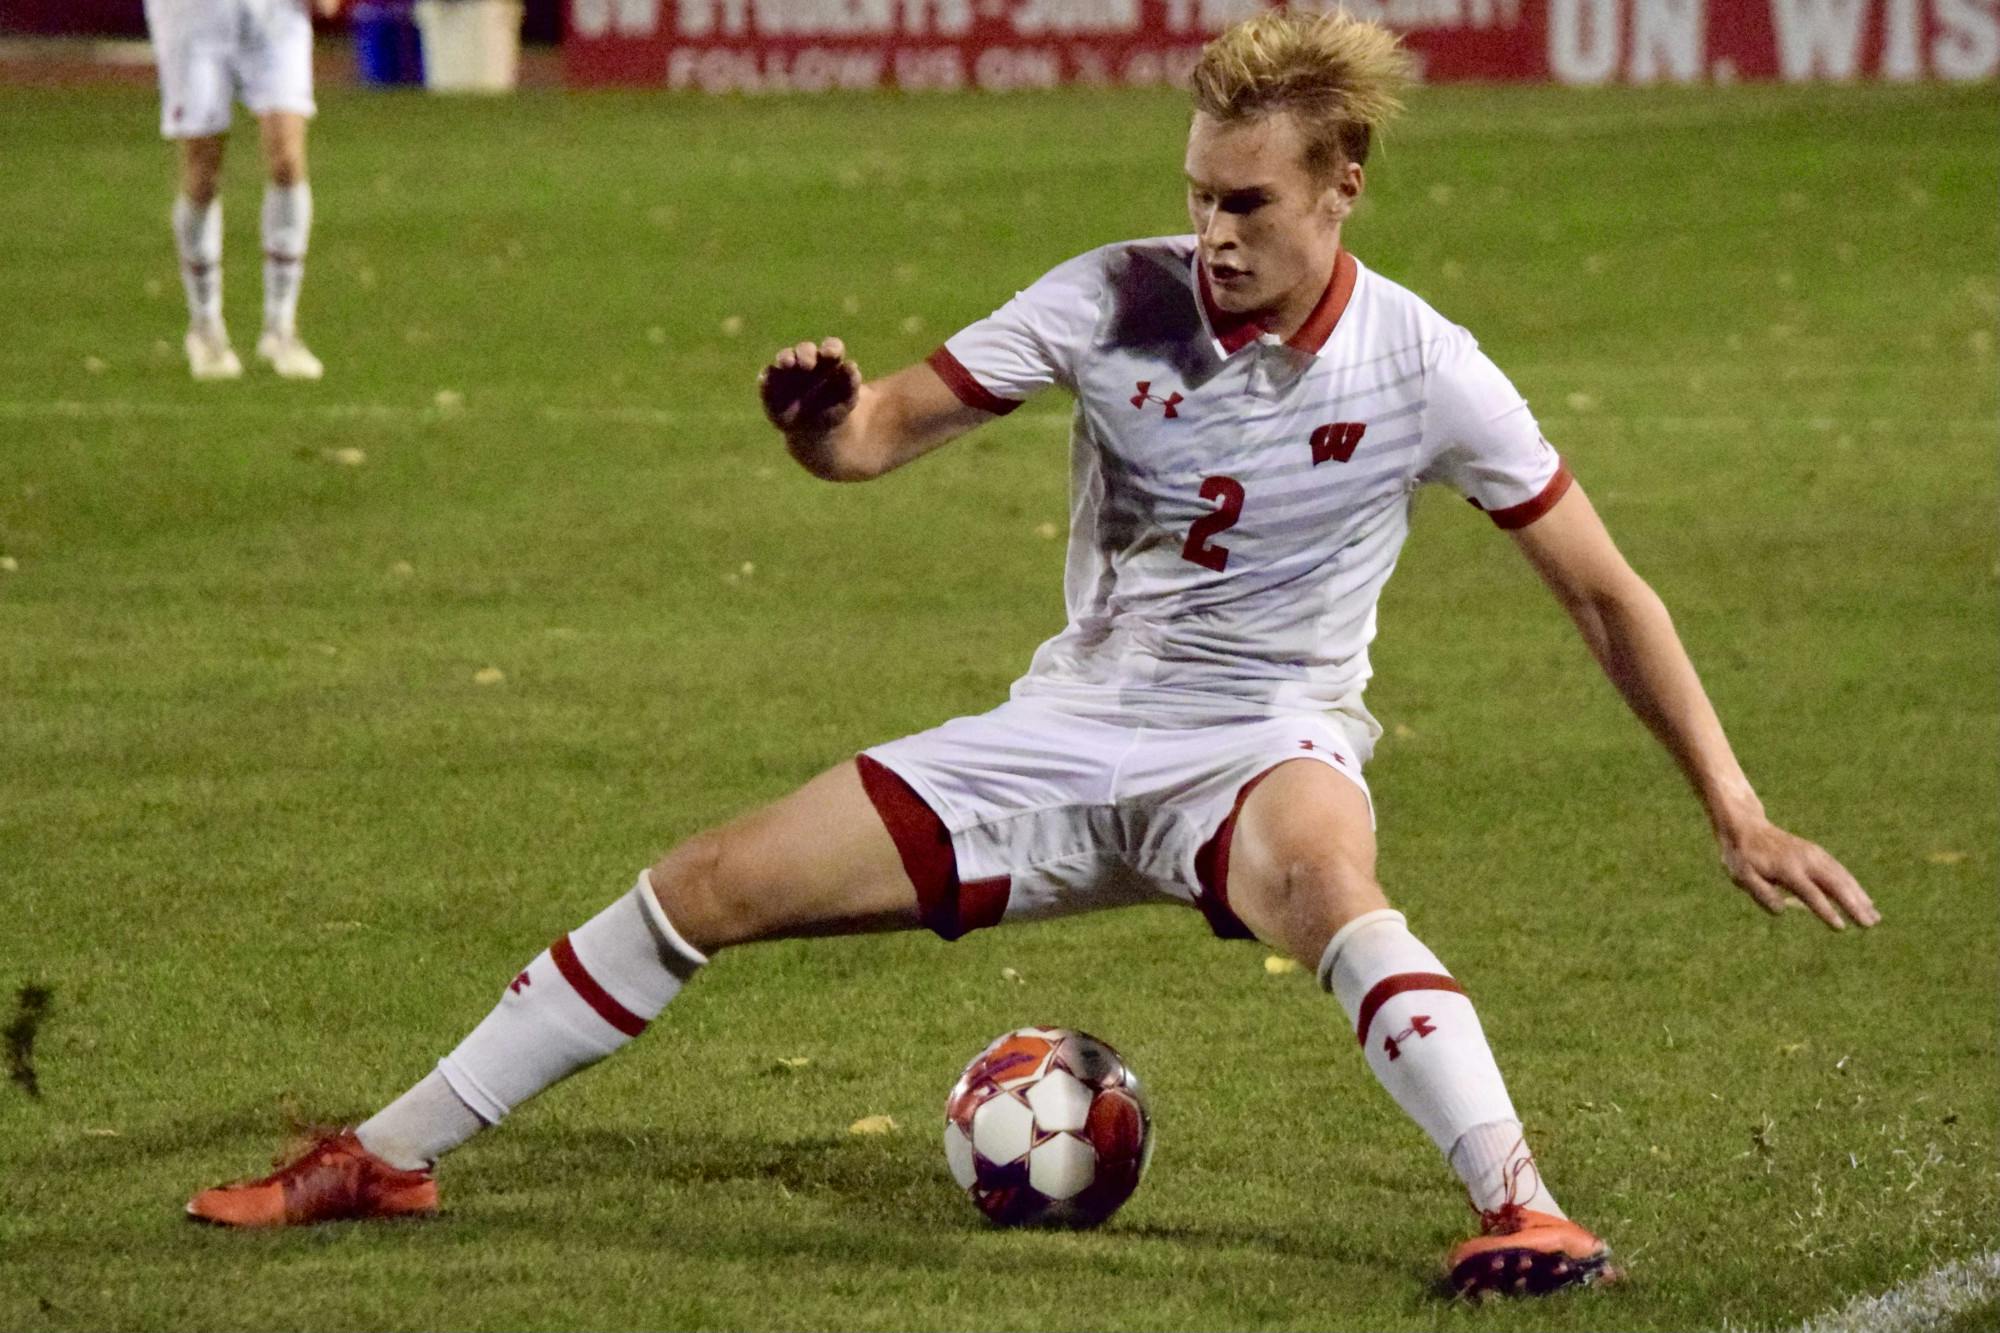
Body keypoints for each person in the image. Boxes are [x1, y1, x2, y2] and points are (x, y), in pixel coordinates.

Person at [184, 9, 1877, 1298]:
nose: (1213, 232)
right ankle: (385, 1157)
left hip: (1260, 738)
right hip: (1060, 734)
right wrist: (813, 425)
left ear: (1343, 186)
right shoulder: (1108, 300)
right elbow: (877, 437)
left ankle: (1523, 1197)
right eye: (1197, 195)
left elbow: (1606, 589)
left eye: (1252, 201)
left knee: (1330, 873)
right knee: (705, 881)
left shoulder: (1429, 368)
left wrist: (1731, 801)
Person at [143, 0, 338, 381]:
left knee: (287, 159)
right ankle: (205, 327)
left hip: (276, 12)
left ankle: (281, 329)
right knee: (202, 171)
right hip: (195, 14)